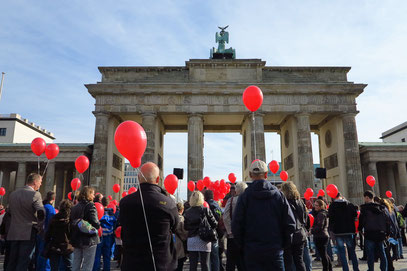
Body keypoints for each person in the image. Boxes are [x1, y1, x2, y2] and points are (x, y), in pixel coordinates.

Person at [232, 160, 296, 270]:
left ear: (250, 175)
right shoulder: (279, 195)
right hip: (274, 251)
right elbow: (290, 224)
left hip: (252, 252)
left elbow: (236, 225)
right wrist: (282, 245)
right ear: (266, 174)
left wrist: (244, 246)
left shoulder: (244, 197)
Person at [119, 162, 179, 271]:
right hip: (160, 263)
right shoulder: (169, 203)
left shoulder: (124, 202)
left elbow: (120, 226)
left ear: (138, 178)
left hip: (132, 264)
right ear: (157, 180)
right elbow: (175, 227)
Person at [7, 173, 45, 271]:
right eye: (40, 182)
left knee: (12, 260)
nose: (41, 184)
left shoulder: (13, 194)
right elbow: (41, 212)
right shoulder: (35, 194)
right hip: (28, 232)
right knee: (23, 261)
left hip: (13, 232)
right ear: (35, 182)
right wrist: (40, 226)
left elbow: (9, 212)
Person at [184, 191, 218, 271]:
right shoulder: (206, 210)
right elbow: (214, 224)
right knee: (205, 265)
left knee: (193, 265)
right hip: (205, 239)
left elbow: (186, 227)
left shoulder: (187, 212)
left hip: (192, 240)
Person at [70, 186, 100, 271]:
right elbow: (96, 223)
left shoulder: (75, 207)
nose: (94, 196)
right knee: (87, 265)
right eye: (93, 194)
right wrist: (98, 224)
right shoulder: (90, 206)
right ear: (88, 194)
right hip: (89, 239)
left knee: (76, 263)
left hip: (77, 239)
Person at [327, 191, 359, 271]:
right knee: (352, 252)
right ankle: (356, 269)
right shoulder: (349, 204)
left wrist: (331, 229)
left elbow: (331, 219)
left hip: (338, 231)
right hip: (349, 230)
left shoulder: (332, 206)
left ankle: (346, 269)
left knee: (342, 252)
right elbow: (355, 215)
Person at [359, 191, 389, 271]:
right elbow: (387, 220)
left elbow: (361, 221)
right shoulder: (381, 208)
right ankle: (384, 269)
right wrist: (387, 232)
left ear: (367, 197)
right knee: (382, 253)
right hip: (381, 233)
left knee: (370, 254)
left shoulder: (364, 208)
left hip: (369, 233)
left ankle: (371, 269)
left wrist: (360, 229)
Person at [281, 181, 307, 271]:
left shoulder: (284, 202)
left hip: (289, 234)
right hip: (300, 233)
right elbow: (305, 219)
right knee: (299, 261)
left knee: (288, 262)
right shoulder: (301, 202)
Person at [222, 181, 247, 271]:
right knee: (243, 263)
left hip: (233, 236)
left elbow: (225, 217)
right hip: (245, 236)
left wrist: (230, 230)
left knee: (231, 262)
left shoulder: (231, 200)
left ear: (236, 190)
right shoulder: (248, 200)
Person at [45, 199, 74, 270]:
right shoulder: (71, 220)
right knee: (69, 267)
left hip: (55, 245)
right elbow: (72, 234)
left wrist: (47, 241)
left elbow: (49, 233)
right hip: (68, 247)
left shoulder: (54, 218)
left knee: (54, 267)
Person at [93, 197, 117, 271]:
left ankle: (96, 269)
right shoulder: (112, 214)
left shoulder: (99, 211)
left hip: (100, 236)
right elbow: (115, 224)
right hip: (109, 236)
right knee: (107, 257)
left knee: (97, 255)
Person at [37, 191, 56, 271]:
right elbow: (52, 222)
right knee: (45, 254)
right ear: (54, 198)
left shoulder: (43, 206)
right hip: (46, 234)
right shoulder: (50, 208)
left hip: (40, 233)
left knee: (39, 253)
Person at [203, 189, 222, 271]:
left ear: (205, 196)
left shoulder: (205, 205)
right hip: (216, 233)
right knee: (215, 257)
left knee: (207, 258)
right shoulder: (217, 205)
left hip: (206, 233)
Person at [312, 199, 332, 271]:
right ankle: (329, 268)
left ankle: (326, 269)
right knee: (325, 254)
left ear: (321, 206)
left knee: (323, 255)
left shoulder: (321, 214)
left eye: (317, 205)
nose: (315, 207)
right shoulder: (322, 213)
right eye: (315, 205)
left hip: (321, 236)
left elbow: (320, 226)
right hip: (323, 235)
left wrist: (311, 231)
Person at [174, 202, 188, 271]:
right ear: (182, 210)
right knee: (179, 264)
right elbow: (184, 232)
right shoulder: (181, 218)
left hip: (172, 242)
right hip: (180, 243)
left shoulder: (172, 217)